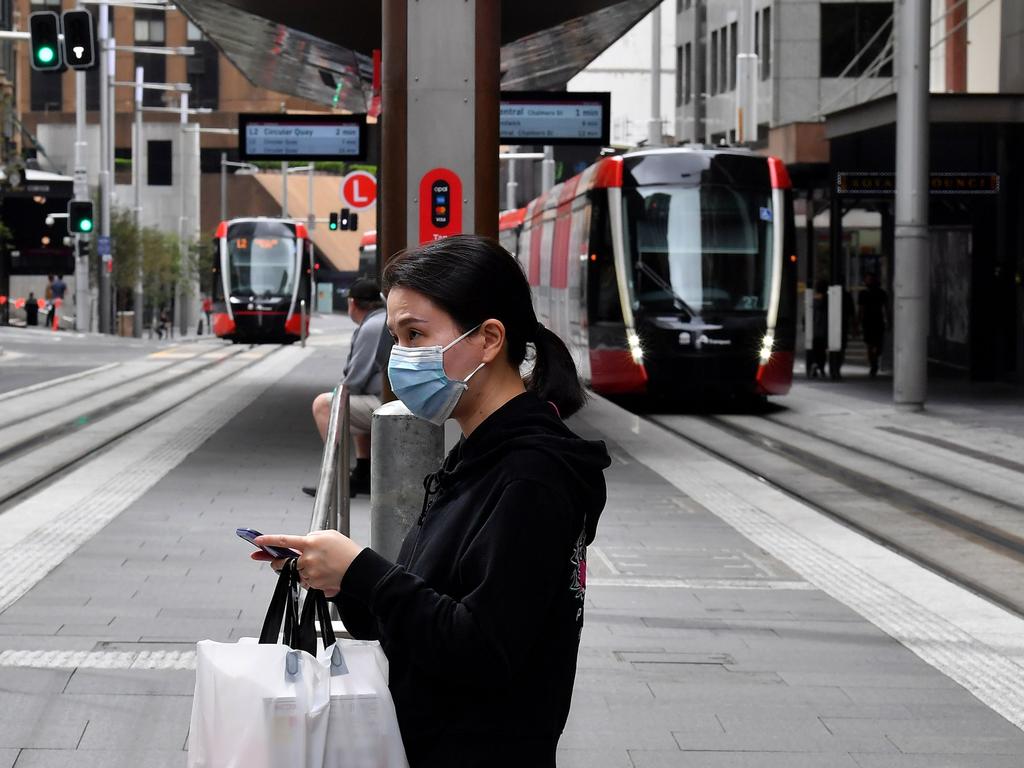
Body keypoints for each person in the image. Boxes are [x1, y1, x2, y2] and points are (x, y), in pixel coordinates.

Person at [254, 235, 611, 766]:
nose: (400, 358)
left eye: (416, 334)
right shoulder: (478, 453)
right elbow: (429, 611)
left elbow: (484, 649)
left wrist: (366, 572)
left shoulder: (533, 476)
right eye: (397, 336)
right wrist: (340, 578)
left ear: (489, 338)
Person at [306, 278, 387, 497]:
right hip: (385, 398)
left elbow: (355, 379)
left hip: (386, 403)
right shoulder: (380, 319)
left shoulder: (371, 326)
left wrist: (337, 392)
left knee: (324, 404)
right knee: (351, 403)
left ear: (352, 303)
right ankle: (363, 472)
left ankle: (336, 480)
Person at [858, 272, 888, 378]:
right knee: (870, 345)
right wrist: (859, 322)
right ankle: (873, 364)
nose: (868, 282)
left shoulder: (881, 293)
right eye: (867, 279)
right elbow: (861, 309)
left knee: (878, 344)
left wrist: (888, 320)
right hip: (868, 322)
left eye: (870, 279)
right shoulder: (863, 294)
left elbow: (886, 308)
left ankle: (875, 358)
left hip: (878, 321)